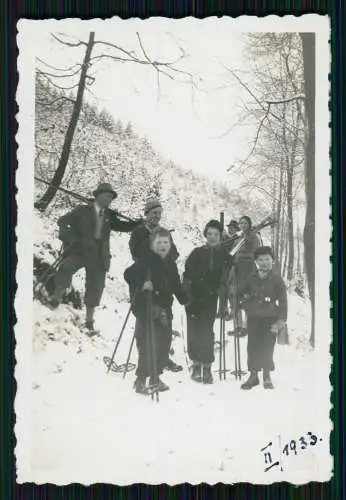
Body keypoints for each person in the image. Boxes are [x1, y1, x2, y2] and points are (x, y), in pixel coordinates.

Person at [47, 183, 139, 335]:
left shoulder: (110, 216)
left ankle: (89, 321)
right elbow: (62, 221)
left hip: (99, 256)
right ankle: (57, 296)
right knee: (66, 266)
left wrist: (136, 224)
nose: (110, 200)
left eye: (111, 198)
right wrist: (70, 238)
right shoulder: (82, 211)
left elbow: (123, 227)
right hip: (80, 250)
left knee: (95, 287)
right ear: (98, 195)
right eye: (107, 196)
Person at [124, 227, 187, 395]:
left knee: (163, 345)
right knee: (147, 345)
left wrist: (186, 300)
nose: (163, 245)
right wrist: (142, 283)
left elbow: (176, 286)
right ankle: (140, 381)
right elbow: (128, 274)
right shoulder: (146, 260)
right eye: (159, 242)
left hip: (165, 310)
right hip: (147, 309)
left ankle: (155, 378)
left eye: (166, 242)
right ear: (152, 244)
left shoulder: (171, 264)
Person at [129, 197, 182, 373]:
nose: (157, 217)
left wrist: (163, 244)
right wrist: (151, 240)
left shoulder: (164, 232)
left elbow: (173, 253)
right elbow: (135, 254)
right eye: (153, 213)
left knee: (165, 323)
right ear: (146, 214)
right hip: (144, 280)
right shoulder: (138, 232)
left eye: (159, 213)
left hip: (163, 281)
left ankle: (163, 358)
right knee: (144, 324)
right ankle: (143, 365)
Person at [183, 220, 233, 384]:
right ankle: (196, 365)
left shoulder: (225, 255)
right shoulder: (196, 253)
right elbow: (187, 274)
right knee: (194, 330)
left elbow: (229, 277)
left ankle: (207, 367)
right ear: (205, 234)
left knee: (206, 331)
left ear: (220, 236)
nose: (212, 237)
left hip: (211, 298)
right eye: (209, 234)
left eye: (216, 234)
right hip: (194, 298)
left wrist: (225, 297)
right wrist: (186, 296)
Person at [239, 246, 288, 390]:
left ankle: (266, 376)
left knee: (267, 347)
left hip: (270, 320)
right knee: (252, 346)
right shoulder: (252, 278)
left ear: (272, 261)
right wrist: (246, 302)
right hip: (254, 318)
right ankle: (253, 376)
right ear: (256, 262)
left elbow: (283, 302)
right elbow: (243, 293)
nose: (264, 262)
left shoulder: (277, 280)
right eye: (260, 259)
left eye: (267, 259)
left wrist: (280, 321)